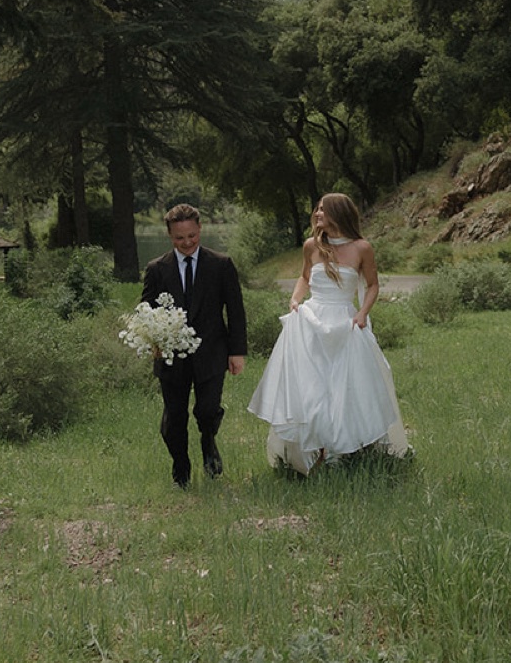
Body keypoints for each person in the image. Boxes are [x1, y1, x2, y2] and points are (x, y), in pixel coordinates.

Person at [247, 192, 410, 473]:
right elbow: (305, 277)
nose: (318, 214)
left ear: (338, 213)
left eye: (323, 210)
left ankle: (343, 450)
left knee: (346, 388)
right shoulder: (312, 245)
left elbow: (372, 285)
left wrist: (362, 314)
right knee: (311, 389)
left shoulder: (362, 248)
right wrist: (296, 299)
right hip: (311, 322)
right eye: (318, 210)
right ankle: (310, 451)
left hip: (345, 325)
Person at [139, 204, 247, 487]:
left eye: (191, 236)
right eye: (179, 238)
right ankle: (181, 468)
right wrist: (154, 342)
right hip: (171, 357)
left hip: (212, 351)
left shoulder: (221, 265)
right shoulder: (156, 269)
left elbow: (235, 311)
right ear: (169, 236)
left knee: (208, 410)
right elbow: (145, 312)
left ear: (200, 230)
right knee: (174, 419)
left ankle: (208, 440)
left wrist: (237, 352)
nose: (186, 243)